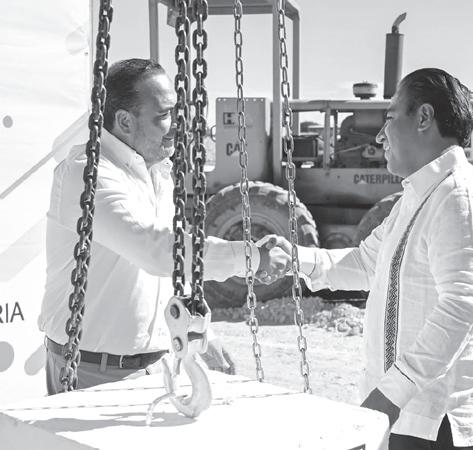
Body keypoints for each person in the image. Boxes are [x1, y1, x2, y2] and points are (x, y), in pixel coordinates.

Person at [259, 68, 473, 449]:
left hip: (435, 424)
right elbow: (366, 264)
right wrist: (294, 259)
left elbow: (463, 306)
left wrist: (390, 394)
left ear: (424, 117)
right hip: (409, 416)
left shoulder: (460, 198)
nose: (380, 135)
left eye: (390, 118)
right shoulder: (421, 195)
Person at [39, 58, 290, 395]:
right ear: (124, 121)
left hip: (157, 364)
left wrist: (201, 331)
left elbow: (171, 268)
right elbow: (155, 250)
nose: (177, 126)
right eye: (165, 115)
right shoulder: (88, 174)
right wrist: (251, 258)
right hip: (89, 370)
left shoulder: (157, 173)